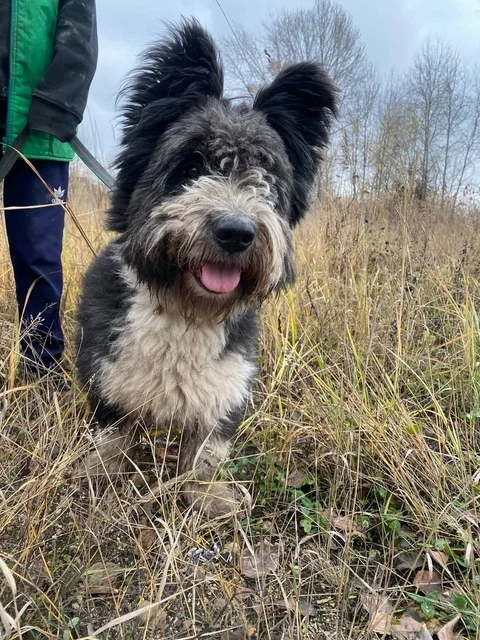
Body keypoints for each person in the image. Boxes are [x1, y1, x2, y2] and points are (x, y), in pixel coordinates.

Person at [0, 0, 98, 375]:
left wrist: (56, 108)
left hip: (40, 134)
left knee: (38, 257)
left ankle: (41, 367)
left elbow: (80, 39)